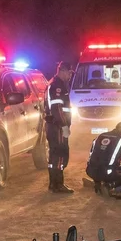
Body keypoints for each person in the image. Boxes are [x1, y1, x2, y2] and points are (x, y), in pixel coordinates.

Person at [44, 61, 75, 193]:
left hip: (53, 125)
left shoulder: (54, 84)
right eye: (69, 73)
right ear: (62, 71)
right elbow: (57, 108)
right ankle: (58, 185)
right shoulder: (58, 86)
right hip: (57, 127)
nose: (70, 76)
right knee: (61, 154)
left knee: (54, 155)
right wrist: (64, 126)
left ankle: (53, 184)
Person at [85, 122, 121, 193]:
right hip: (107, 173)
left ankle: (97, 182)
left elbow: (92, 155)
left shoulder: (100, 136)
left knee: (103, 165)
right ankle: (110, 185)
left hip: (90, 171)